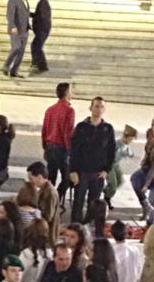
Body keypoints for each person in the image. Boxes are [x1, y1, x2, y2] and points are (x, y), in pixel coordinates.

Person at [68, 96, 116, 224]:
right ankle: (75, 226)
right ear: (91, 108)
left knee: (94, 204)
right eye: (96, 106)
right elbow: (73, 150)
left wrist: (106, 170)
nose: (99, 109)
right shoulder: (81, 127)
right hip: (82, 172)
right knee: (78, 202)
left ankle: (88, 226)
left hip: (98, 173)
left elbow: (111, 151)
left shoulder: (108, 129)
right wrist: (72, 171)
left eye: (101, 106)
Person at [41, 83, 74, 207]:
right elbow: (68, 132)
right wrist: (69, 150)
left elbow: (44, 129)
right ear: (67, 93)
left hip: (50, 146)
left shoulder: (50, 110)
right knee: (67, 178)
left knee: (51, 177)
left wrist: (45, 146)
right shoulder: (69, 111)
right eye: (71, 91)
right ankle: (56, 198)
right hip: (62, 148)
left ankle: (46, 200)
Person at [104, 123, 137, 208]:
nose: (131, 141)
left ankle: (106, 191)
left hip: (116, 165)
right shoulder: (116, 144)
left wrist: (134, 157)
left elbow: (129, 153)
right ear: (126, 136)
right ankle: (106, 199)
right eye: (131, 139)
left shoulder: (126, 146)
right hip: (109, 165)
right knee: (113, 185)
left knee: (120, 181)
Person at [2, 0, 31, 78]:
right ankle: (6, 66)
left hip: (25, 31)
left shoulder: (25, 0)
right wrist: (12, 26)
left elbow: (25, 13)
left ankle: (14, 70)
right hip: (16, 30)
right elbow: (10, 14)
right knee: (16, 47)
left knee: (21, 51)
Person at [30, 0, 51, 73]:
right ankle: (35, 62)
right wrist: (29, 13)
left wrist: (37, 25)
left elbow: (42, 17)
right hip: (42, 30)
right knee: (35, 45)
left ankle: (43, 66)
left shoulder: (43, 3)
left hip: (42, 30)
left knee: (37, 47)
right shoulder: (42, 2)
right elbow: (38, 15)